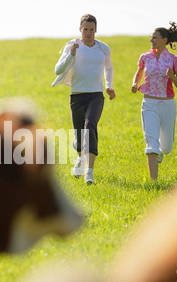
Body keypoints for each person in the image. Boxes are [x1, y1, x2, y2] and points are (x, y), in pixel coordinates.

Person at [52, 13, 116, 185]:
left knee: (91, 126)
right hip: (77, 96)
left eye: (92, 30)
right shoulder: (72, 46)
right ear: (80, 30)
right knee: (80, 135)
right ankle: (80, 159)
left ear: (96, 30)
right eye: (85, 29)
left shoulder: (103, 48)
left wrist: (108, 85)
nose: (88, 33)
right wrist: (71, 55)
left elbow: (108, 68)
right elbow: (58, 70)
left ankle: (90, 171)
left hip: (96, 95)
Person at [131, 22, 177, 181]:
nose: (151, 40)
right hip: (149, 104)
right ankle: (154, 182)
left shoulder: (174, 60)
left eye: (154, 38)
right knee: (151, 143)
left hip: (167, 104)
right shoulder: (145, 57)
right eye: (151, 37)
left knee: (166, 147)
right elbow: (139, 73)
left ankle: (160, 152)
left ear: (164, 40)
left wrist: (172, 76)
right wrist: (135, 83)